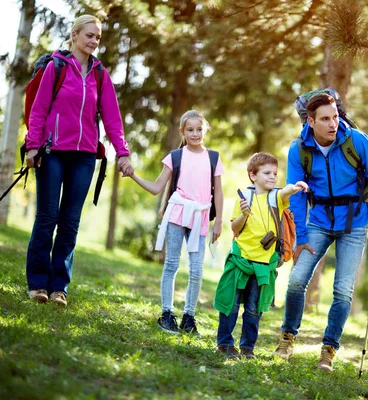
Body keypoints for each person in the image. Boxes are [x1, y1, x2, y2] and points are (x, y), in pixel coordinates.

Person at [274, 93, 368, 371]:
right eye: (325, 119)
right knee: (296, 281)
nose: (332, 124)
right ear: (311, 121)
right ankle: (287, 337)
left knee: (342, 291)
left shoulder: (356, 141)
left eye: (335, 117)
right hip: (317, 222)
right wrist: (300, 237)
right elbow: (296, 195)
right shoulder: (299, 149)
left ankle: (328, 351)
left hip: (353, 224)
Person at [25, 15, 132, 307]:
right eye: (89, 35)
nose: (94, 41)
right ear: (74, 35)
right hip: (52, 151)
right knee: (47, 218)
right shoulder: (56, 67)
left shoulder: (100, 74)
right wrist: (33, 146)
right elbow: (39, 109)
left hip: (85, 156)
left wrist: (122, 152)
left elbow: (112, 118)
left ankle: (59, 287)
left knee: (70, 222)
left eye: (98, 37)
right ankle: (37, 283)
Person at [130, 110, 223, 335]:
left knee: (197, 269)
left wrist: (218, 220)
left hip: (199, 216)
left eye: (199, 129)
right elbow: (157, 187)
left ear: (205, 129)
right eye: (190, 130)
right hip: (177, 214)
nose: (195, 133)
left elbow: (218, 191)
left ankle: (189, 317)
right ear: (182, 131)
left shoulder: (213, 157)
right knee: (171, 264)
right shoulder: (175, 156)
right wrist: (133, 175)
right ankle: (166, 314)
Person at [213, 152, 308, 359]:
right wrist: (244, 214)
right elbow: (234, 228)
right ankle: (225, 343)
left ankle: (247, 348)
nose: (272, 177)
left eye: (275, 173)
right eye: (267, 173)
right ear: (252, 175)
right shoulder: (242, 199)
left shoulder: (276, 198)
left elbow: (286, 192)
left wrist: (296, 186)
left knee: (254, 309)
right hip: (241, 259)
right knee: (231, 304)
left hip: (263, 264)